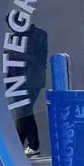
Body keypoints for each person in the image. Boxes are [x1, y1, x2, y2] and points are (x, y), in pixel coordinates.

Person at [15, 26, 49, 156]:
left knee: (23, 112)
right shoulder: (17, 37)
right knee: (24, 111)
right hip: (24, 79)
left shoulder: (36, 36)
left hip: (29, 79)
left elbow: (34, 59)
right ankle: (29, 145)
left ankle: (28, 145)